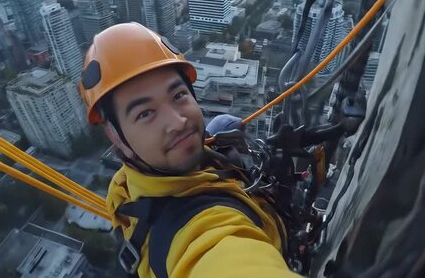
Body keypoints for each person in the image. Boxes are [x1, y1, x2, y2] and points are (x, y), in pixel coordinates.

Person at [80, 23, 299, 277]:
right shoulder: (199, 234)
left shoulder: (124, 186)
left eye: (178, 96)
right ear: (116, 138)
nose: (178, 122)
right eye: (145, 113)